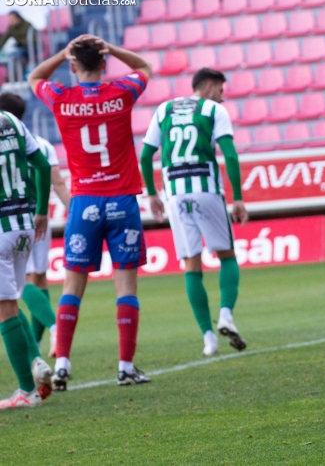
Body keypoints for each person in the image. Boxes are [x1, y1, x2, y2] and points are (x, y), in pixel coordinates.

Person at [28, 34, 152, 391]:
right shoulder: (121, 92)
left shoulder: (61, 99)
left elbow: (35, 78)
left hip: (83, 202)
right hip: (121, 198)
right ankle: (125, 367)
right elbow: (144, 67)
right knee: (125, 283)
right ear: (104, 64)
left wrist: (61, 54)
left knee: (72, 285)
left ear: (71, 66)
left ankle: (63, 362)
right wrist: (112, 49)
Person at [140, 67, 248, 356]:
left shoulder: (164, 109)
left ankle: (208, 337)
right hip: (207, 189)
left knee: (191, 264)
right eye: (222, 91)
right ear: (210, 87)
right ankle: (225, 315)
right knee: (226, 255)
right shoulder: (213, 110)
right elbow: (231, 154)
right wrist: (238, 198)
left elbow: (146, 154)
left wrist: (152, 193)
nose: (223, 98)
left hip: (175, 193)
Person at [0, 92, 71, 359]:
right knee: (38, 279)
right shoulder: (41, 143)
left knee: (21, 288)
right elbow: (58, 182)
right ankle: (38, 348)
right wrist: (70, 212)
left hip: (9, 220)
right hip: (38, 219)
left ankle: (54, 328)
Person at [0, 107, 54, 409]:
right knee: (10, 301)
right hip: (23, 225)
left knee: (5, 308)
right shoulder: (12, 122)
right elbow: (43, 166)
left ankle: (26, 391)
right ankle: (35, 360)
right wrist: (42, 210)